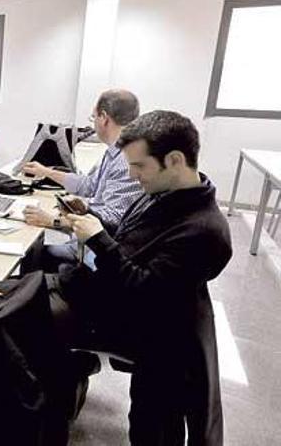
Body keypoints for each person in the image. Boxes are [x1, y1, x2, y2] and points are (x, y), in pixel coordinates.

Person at [53, 111, 232, 445]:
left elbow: (142, 290)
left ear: (175, 160)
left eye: (139, 166)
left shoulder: (205, 231)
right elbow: (131, 240)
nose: (133, 176)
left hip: (155, 336)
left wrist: (99, 241)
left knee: (154, 425)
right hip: (136, 313)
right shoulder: (163, 194)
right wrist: (89, 217)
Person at [22, 89, 143, 269]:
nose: (93, 123)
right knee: (34, 248)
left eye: (93, 117)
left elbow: (112, 222)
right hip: (87, 244)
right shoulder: (113, 152)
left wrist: (54, 221)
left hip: (96, 256)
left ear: (104, 118)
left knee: (31, 254)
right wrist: (46, 171)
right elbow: (89, 185)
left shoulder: (126, 162)